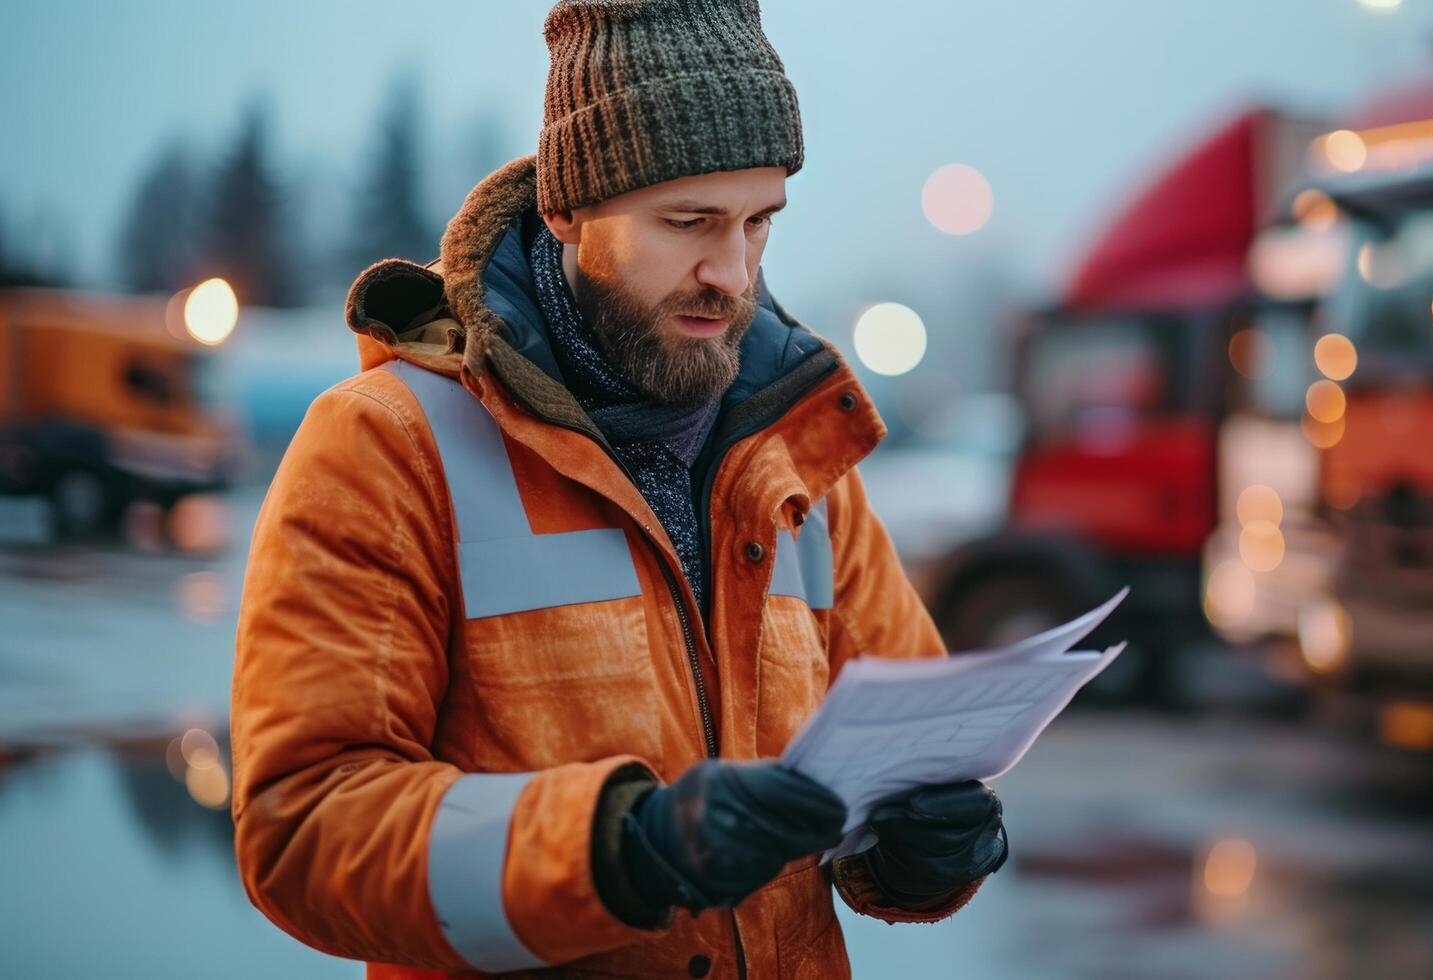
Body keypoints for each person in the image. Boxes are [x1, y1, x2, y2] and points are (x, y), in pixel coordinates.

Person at [229, 1, 1007, 976]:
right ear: (567, 210)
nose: (732, 273)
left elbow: (903, 759)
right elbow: (301, 828)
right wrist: (613, 850)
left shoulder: (799, 456)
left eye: (759, 224)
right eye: (689, 222)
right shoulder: (387, 447)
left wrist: (926, 849)